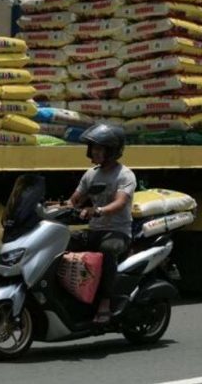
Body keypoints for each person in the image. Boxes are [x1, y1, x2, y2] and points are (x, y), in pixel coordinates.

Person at [67, 123, 137, 324]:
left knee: (107, 250)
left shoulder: (125, 175)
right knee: (63, 242)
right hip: (95, 230)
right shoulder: (91, 174)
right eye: (93, 148)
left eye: (99, 148)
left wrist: (97, 210)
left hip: (117, 232)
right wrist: (52, 208)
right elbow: (75, 200)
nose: (94, 152)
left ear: (112, 151)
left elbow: (120, 202)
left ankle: (105, 301)